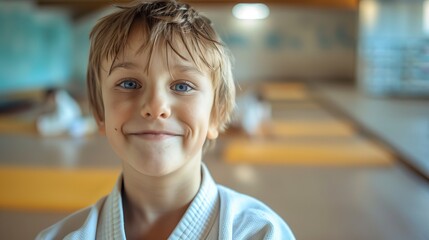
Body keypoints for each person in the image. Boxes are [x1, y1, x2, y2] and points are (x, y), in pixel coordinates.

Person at [36, 0, 295, 239]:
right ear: (100, 113)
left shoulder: (260, 233)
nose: (155, 107)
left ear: (215, 115)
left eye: (182, 86)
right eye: (129, 83)